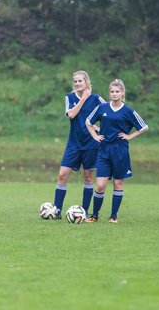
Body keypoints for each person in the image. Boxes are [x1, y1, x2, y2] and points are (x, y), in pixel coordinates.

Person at [85, 79, 148, 223]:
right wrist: (95, 136)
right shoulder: (102, 108)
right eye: (112, 91)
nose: (114, 94)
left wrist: (129, 136)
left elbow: (144, 127)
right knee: (100, 185)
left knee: (118, 184)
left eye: (117, 91)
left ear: (122, 93)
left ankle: (113, 216)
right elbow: (88, 122)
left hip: (120, 150)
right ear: (110, 93)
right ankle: (94, 215)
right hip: (104, 149)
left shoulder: (128, 111)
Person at [52, 70, 105, 219]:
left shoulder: (96, 99)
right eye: (75, 81)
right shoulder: (69, 97)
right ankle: (57, 211)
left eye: (80, 81)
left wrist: (99, 129)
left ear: (86, 82)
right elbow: (71, 115)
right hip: (73, 144)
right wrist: (83, 99)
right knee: (62, 175)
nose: (77, 83)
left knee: (88, 177)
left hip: (90, 144)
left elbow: (108, 114)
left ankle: (84, 211)